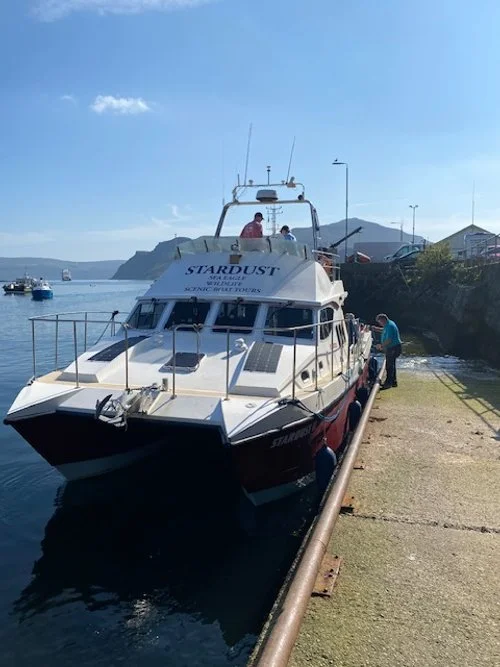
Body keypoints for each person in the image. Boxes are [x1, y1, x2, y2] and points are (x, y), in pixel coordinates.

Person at [371, 313, 402, 389]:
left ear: (383, 320)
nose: (380, 324)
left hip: (393, 348)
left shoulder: (390, 326)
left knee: (389, 366)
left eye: (379, 322)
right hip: (393, 347)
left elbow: (389, 340)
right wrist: (376, 329)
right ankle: (393, 382)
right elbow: (384, 330)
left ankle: (388, 384)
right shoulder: (388, 324)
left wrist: (381, 346)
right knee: (392, 364)